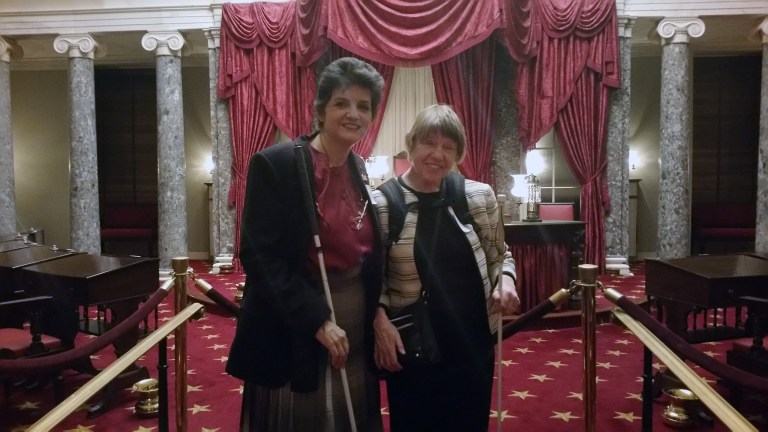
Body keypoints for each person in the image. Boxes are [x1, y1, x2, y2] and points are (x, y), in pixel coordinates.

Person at [226, 57, 385, 432]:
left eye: (364, 106)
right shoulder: (276, 164)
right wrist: (316, 320)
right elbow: (260, 258)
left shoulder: (359, 168)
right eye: (342, 103)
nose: (353, 114)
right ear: (320, 109)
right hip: (295, 322)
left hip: (354, 319)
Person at [372, 104, 521, 431]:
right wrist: (379, 320)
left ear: (458, 153)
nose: (437, 153)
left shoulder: (479, 197)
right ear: (411, 145)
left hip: (472, 342)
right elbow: (371, 279)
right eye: (428, 143)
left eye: (448, 147)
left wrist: (506, 281)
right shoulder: (383, 204)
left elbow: (500, 256)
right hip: (413, 343)